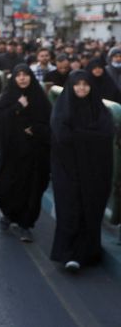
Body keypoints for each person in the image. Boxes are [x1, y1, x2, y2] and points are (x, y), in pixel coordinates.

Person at [50, 70, 114, 272]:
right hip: (68, 169)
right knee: (70, 209)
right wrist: (87, 137)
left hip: (94, 171)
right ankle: (68, 253)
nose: (82, 88)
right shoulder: (62, 109)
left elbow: (105, 134)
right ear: (71, 86)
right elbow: (62, 136)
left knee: (90, 209)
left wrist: (78, 135)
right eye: (77, 84)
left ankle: (85, 253)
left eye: (86, 85)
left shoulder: (100, 110)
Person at [0, 64, 51, 243]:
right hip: (12, 153)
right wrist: (17, 107)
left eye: (26, 75)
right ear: (14, 78)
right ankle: (8, 214)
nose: (22, 78)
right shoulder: (8, 96)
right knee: (10, 185)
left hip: (34, 154)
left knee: (32, 189)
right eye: (19, 75)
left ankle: (26, 224)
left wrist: (36, 130)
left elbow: (50, 124)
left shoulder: (40, 98)